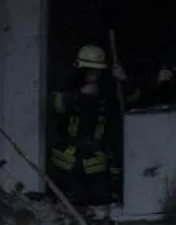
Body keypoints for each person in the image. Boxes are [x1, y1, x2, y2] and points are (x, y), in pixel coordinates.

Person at [49, 44, 131, 206]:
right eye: (91, 71)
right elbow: (56, 104)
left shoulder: (106, 88)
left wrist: (124, 81)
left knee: (99, 201)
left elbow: (129, 103)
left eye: (98, 71)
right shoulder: (68, 84)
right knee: (69, 202)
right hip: (67, 158)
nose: (95, 75)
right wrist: (79, 95)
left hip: (96, 158)